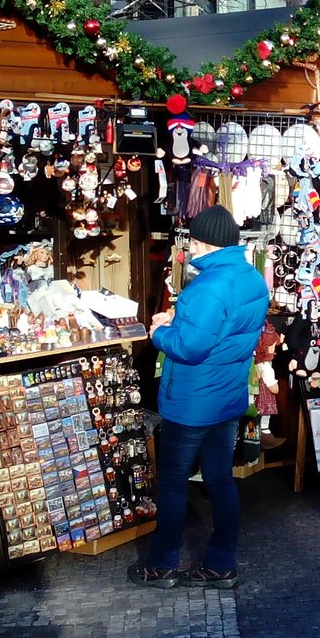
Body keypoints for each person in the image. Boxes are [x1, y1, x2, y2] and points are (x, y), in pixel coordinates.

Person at [128, 204, 269, 589]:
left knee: (173, 484)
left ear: (205, 243)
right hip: (226, 398)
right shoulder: (252, 279)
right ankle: (222, 564)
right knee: (220, 480)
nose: (189, 246)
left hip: (191, 402)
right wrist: (178, 320)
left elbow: (190, 347)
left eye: (192, 239)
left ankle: (163, 565)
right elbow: (223, 330)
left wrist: (160, 332)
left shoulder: (208, 286)